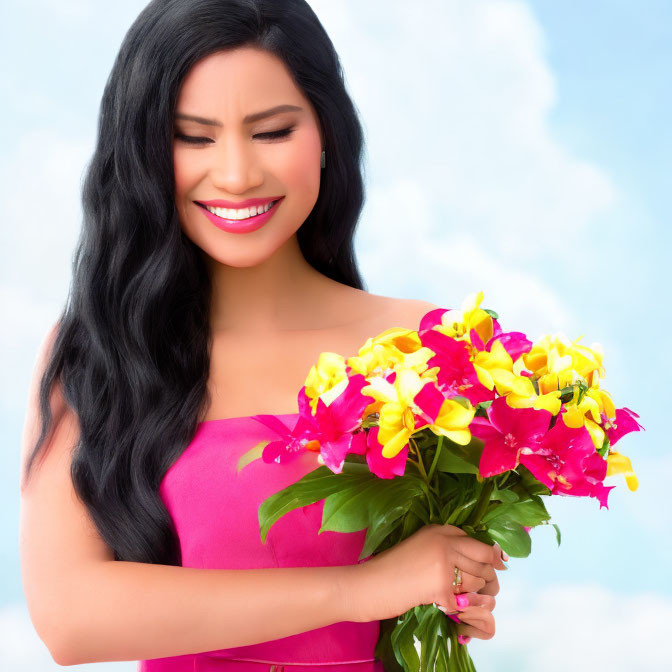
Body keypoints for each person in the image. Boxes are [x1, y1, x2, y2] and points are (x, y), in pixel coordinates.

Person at [18, 0, 506, 669]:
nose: (238, 174)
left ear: (327, 132)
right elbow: (71, 621)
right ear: (142, 155)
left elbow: (449, 572)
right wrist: (358, 590)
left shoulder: (428, 344)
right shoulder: (98, 350)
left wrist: (461, 584)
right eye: (194, 137)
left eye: (272, 131)